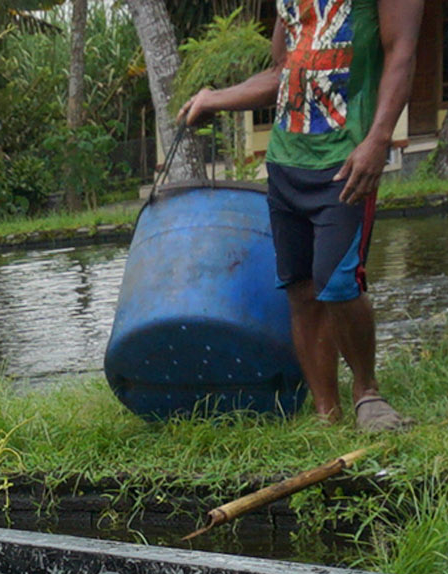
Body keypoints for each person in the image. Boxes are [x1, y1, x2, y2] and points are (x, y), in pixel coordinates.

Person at [181, 0, 423, 433]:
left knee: (339, 282)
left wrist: (378, 139)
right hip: (286, 160)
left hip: (345, 161)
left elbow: (401, 53)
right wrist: (213, 99)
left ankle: (367, 393)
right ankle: (326, 412)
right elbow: (282, 72)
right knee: (301, 290)